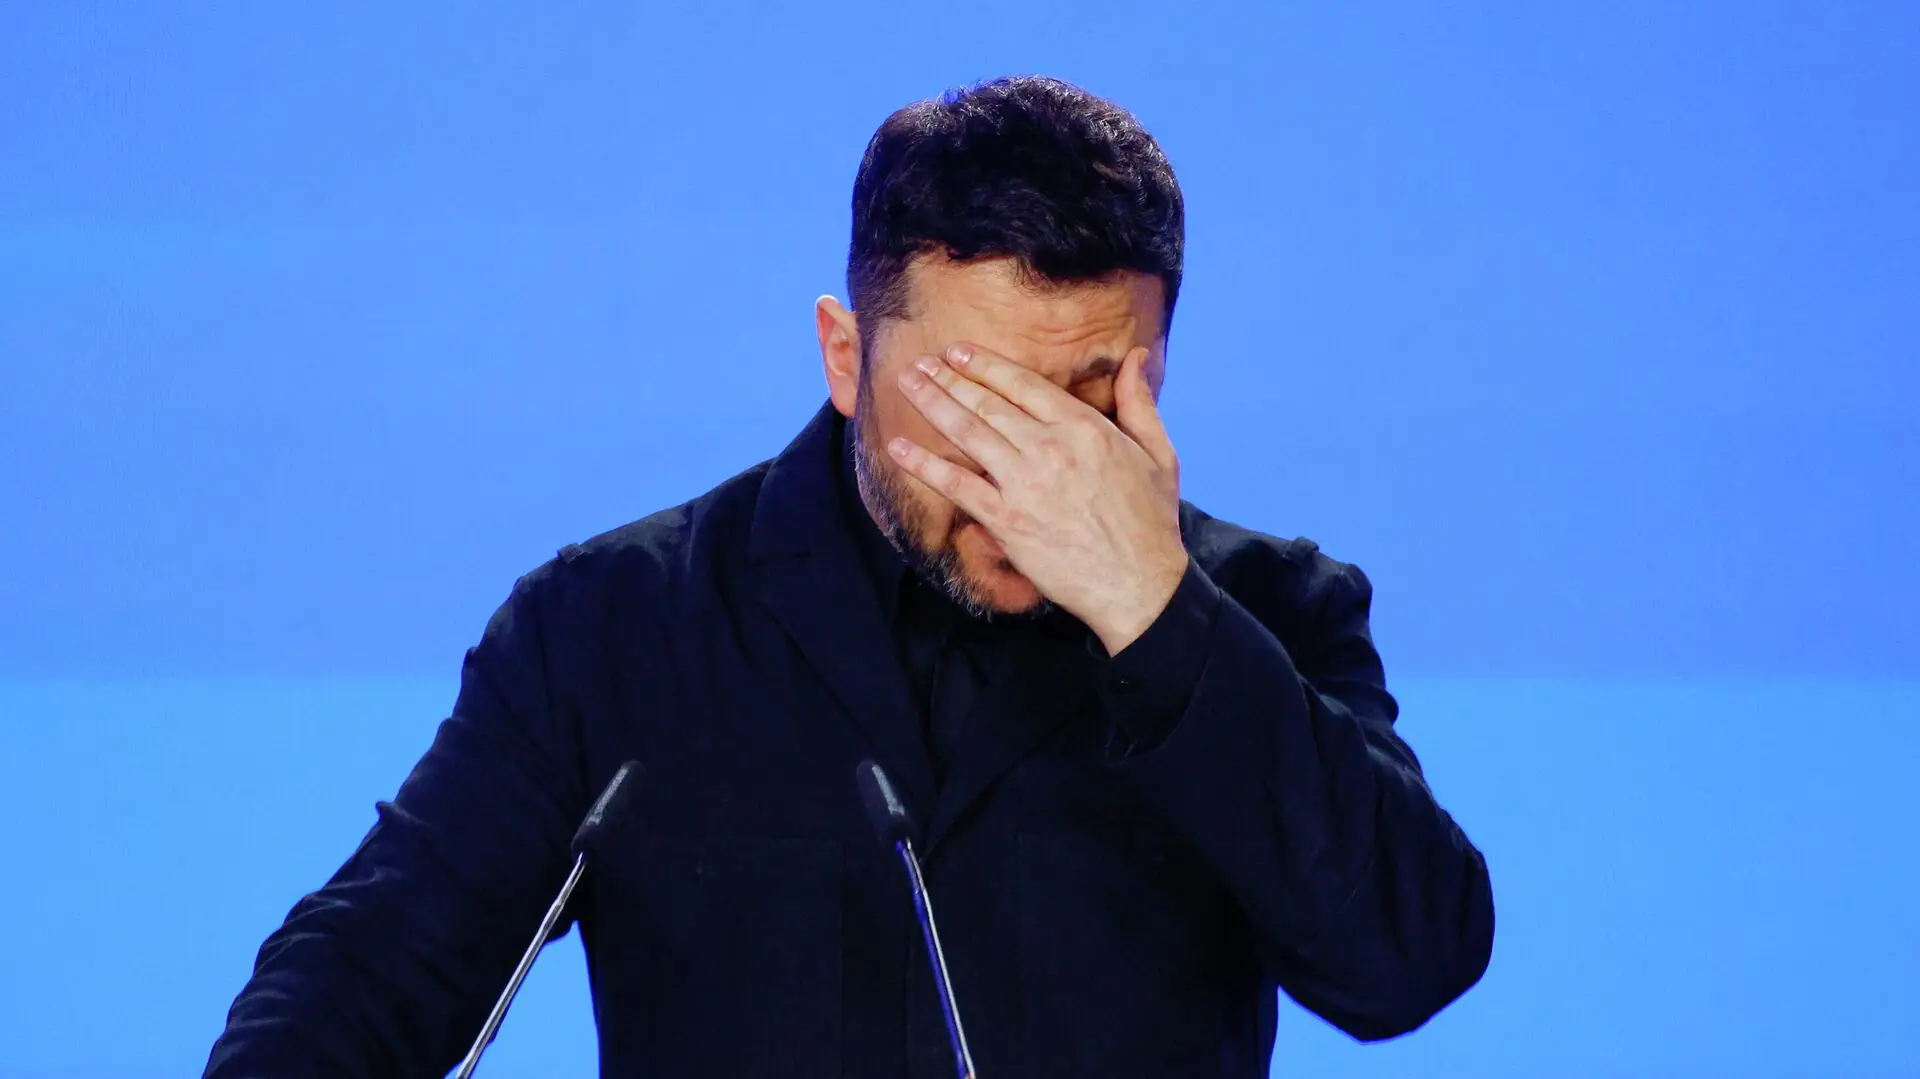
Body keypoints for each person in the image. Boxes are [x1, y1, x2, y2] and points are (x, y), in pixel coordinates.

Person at [204, 75, 1494, 1079]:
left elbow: (1408, 963)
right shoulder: (611, 629)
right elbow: (366, 977)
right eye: (978, 402)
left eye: (1097, 397)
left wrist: (1155, 614)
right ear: (844, 355)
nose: (1032, 466)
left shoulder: (1270, 614)